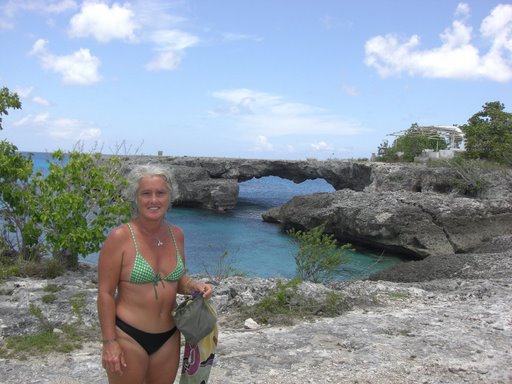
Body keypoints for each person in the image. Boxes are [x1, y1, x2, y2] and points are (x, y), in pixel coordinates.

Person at [97, 164, 213, 384]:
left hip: (168, 336)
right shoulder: (120, 237)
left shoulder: (176, 234)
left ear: (170, 197)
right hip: (128, 335)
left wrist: (194, 286)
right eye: (146, 193)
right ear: (136, 198)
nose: (154, 200)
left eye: (160, 193)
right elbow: (105, 293)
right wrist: (109, 342)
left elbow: (177, 281)